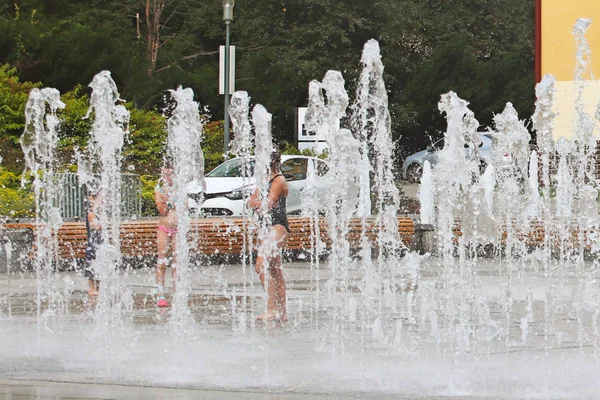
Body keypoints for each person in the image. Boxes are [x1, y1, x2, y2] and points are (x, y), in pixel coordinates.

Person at [247, 150, 290, 322]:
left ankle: (272, 309)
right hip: (266, 228)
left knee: (261, 264)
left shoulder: (279, 180)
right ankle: (282, 312)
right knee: (275, 270)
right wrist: (257, 203)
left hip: (278, 226)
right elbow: (251, 201)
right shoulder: (264, 180)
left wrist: (257, 203)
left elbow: (269, 204)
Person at [154, 164, 177, 307]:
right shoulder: (159, 190)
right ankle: (160, 293)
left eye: (170, 174)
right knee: (162, 261)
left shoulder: (180, 190)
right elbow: (161, 210)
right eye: (165, 174)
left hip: (177, 229)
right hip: (164, 229)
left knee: (177, 262)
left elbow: (185, 207)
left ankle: (177, 292)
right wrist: (167, 202)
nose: (168, 177)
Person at [84, 190, 102, 296]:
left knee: (99, 266)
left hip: (100, 244)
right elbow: (95, 226)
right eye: (101, 200)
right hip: (93, 245)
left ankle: (97, 287)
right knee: (92, 265)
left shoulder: (99, 214)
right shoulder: (91, 213)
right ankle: (92, 288)